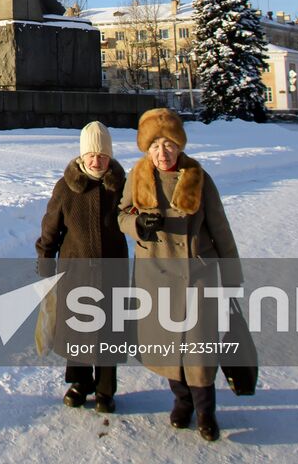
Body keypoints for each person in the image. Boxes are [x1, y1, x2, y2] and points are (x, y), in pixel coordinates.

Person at [118, 108, 242, 442]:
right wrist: (137, 225)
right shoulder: (138, 175)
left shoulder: (198, 177)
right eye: (155, 144)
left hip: (196, 273)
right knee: (168, 347)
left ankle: (205, 411)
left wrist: (232, 276)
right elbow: (123, 213)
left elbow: (221, 229)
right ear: (146, 148)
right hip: (155, 275)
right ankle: (182, 401)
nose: (162, 152)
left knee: (199, 349)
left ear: (179, 145)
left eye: (168, 143)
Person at [36, 120, 128, 413]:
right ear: (82, 156)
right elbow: (51, 228)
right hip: (75, 270)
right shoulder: (66, 187)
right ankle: (80, 383)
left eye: (102, 154)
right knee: (76, 330)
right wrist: (45, 260)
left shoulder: (122, 186)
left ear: (109, 155)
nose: (97, 159)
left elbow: (135, 220)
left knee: (109, 331)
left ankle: (105, 389)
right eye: (92, 154)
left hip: (112, 268)